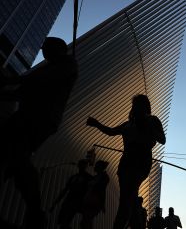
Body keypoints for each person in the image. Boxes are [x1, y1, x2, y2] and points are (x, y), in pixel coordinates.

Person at [0, 37, 78, 228]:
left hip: (39, 118)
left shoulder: (67, 64)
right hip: (29, 116)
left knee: (17, 157)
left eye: (47, 49)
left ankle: (35, 212)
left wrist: (10, 80)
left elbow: (34, 81)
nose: (44, 53)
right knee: (13, 158)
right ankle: (34, 211)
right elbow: (24, 89)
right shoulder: (53, 66)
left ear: (57, 49)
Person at [86, 94, 166, 229]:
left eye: (139, 105)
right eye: (135, 105)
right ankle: (136, 224)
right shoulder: (128, 124)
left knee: (126, 200)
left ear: (145, 107)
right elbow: (111, 132)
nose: (136, 107)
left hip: (140, 161)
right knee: (129, 198)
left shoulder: (152, 120)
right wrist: (97, 124)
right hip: (126, 163)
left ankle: (122, 225)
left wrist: (149, 127)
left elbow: (162, 139)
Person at [50, 159, 92, 229]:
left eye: (83, 165)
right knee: (63, 220)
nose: (81, 166)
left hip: (76, 202)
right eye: (81, 165)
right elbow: (65, 190)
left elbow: (89, 191)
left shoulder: (87, 178)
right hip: (70, 201)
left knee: (65, 219)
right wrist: (55, 203)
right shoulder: (75, 177)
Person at [81, 160, 110, 229]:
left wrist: (102, 203)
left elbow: (102, 189)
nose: (95, 167)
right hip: (89, 200)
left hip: (94, 201)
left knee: (86, 221)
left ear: (100, 167)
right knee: (86, 221)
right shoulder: (95, 177)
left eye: (97, 165)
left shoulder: (104, 177)